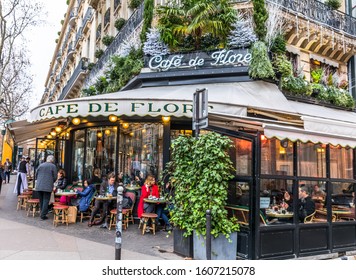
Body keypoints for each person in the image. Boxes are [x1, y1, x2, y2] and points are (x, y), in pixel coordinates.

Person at [35, 155, 57, 220]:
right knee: (46, 200)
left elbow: (36, 175)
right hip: (47, 186)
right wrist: (51, 181)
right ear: (52, 160)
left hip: (39, 185)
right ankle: (43, 215)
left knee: (41, 200)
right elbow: (55, 177)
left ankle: (42, 213)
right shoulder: (53, 166)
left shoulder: (41, 165)